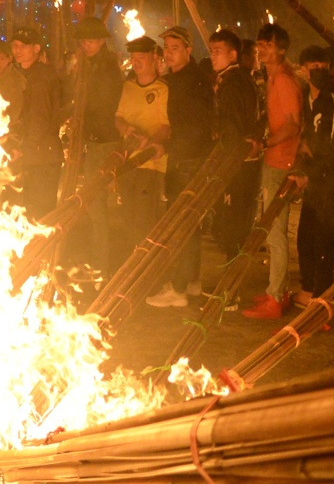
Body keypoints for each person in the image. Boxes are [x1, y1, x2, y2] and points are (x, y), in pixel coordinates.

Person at [146, 27, 213, 307]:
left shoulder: (194, 81)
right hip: (183, 158)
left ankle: (178, 289)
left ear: (188, 49)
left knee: (182, 226)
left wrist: (169, 147)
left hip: (188, 160)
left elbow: (196, 127)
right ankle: (192, 281)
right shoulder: (174, 80)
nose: (169, 52)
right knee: (189, 225)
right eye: (167, 47)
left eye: (175, 47)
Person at [241, 23, 303, 320]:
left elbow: (293, 124)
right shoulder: (275, 77)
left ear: (281, 49)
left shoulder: (284, 81)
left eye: (268, 44)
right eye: (260, 44)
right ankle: (280, 290)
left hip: (281, 161)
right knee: (273, 230)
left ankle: (275, 298)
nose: (262, 49)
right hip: (276, 158)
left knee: (275, 233)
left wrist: (266, 142)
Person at [296, 46, 334, 302]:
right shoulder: (307, 96)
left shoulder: (333, 99)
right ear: (304, 70)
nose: (318, 72)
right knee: (306, 237)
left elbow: (331, 144)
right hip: (312, 180)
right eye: (313, 67)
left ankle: (322, 299)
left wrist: (311, 169)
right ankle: (308, 290)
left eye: (322, 67)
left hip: (329, 180)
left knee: (324, 240)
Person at [112, 35, 170, 259]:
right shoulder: (128, 86)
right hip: (127, 161)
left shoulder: (163, 89)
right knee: (127, 217)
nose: (136, 62)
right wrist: (126, 129)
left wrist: (149, 140)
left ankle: (146, 265)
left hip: (151, 164)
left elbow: (167, 126)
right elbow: (118, 117)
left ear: (154, 58)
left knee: (145, 220)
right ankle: (131, 262)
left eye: (141, 58)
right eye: (133, 58)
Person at [71, 18, 124, 263]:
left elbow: (102, 105)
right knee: (93, 203)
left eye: (90, 41)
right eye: (83, 41)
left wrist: (81, 118)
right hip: (92, 139)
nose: (86, 45)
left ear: (101, 41)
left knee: (95, 202)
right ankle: (97, 256)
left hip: (103, 140)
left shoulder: (106, 67)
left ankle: (100, 259)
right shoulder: (89, 64)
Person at [208, 28, 263, 262]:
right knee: (238, 221)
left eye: (218, 51)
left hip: (238, 162)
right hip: (244, 159)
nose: (213, 56)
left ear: (233, 55)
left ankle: (231, 289)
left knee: (235, 222)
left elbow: (233, 125)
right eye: (211, 51)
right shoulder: (238, 78)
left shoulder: (234, 83)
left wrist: (229, 154)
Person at [6, 27, 65, 219]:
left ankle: (45, 250)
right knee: (30, 210)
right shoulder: (22, 74)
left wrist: (24, 148)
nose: (18, 50)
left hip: (42, 156)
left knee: (41, 214)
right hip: (33, 155)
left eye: (24, 46)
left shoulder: (41, 77)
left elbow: (38, 119)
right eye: (15, 46)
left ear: (37, 49)